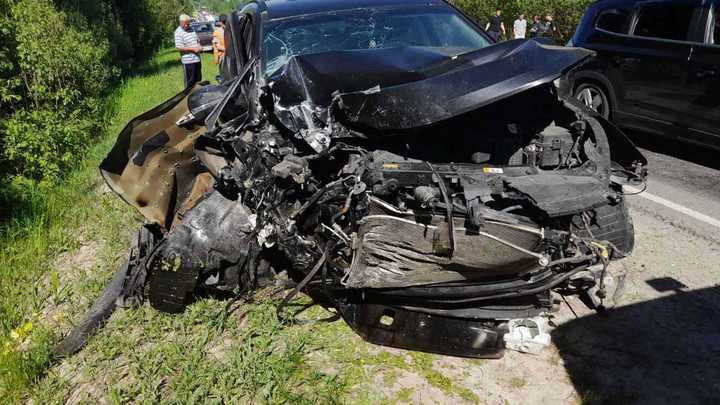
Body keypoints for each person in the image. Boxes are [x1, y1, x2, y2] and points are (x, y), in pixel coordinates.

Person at [174, 14, 202, 89]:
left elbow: (197, 40)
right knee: (190, 82)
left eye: (188, 23)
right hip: (188, 62)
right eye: (184, 24)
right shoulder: (178, 32)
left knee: (198, 80)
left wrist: (199, 46)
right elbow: (179, 47)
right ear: (180, 22)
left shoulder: (192, 29)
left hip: (197, 59)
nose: (186, 25)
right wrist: (193, 49)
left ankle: (198, 96)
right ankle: (188, 97)